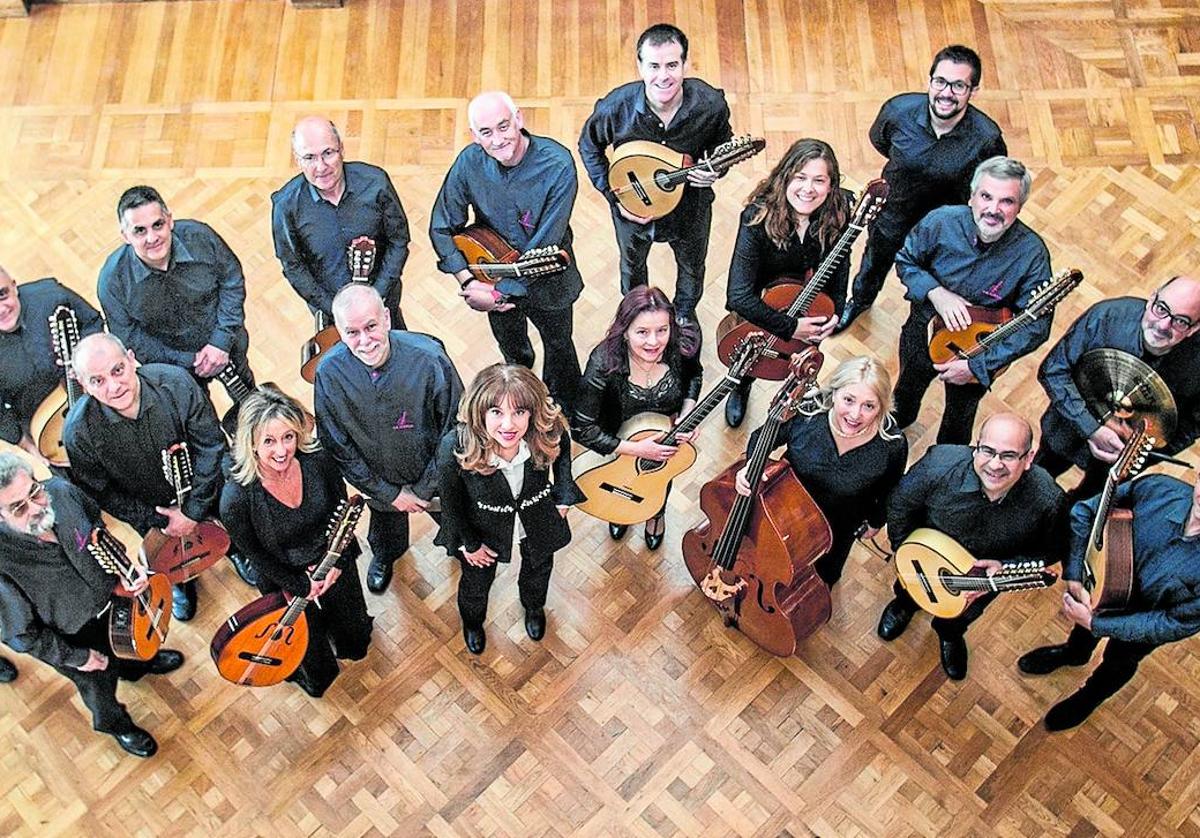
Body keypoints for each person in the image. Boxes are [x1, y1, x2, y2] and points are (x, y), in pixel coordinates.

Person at [0, 451, 183, 757]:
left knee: (136, 649)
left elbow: (97, 529)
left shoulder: (60, 492)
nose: (35, 509)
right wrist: (76, 657)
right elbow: (21, 634)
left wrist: (122, 570)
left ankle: (140, 667)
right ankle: (117, 726)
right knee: (99, 691)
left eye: (34, 492)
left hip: (113, 600)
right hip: (74, 636)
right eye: (19, 508)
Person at [63, 333, 255, 621]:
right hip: (151, 511)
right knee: (166, 554)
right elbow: (103, 493)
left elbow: (211, 445)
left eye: (118, 370)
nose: (114, 387)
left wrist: (192, 510)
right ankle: (182, 580)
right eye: (97, 380)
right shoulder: (78, 434)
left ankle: (236, 550)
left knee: (227, 515)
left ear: (131, 358)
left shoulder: (176, 384)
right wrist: (160, 521)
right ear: (83, 385)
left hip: (204, 486)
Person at [876, 413, 1068, 680]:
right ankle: (904, 606)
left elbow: (1053, 550)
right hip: (922, 562)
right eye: (987, 451)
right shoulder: (939, 465)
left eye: (1009, 455)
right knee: (908, 591)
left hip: (980, 584)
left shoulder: (1048, 500)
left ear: (1029, 459)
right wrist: (906, 552)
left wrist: (1006, 567)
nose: (995, 464)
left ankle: (949, 635)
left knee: (960, 617)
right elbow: (900, 504)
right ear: (976, 446)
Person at [429, 91, 583, 413]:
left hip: (548, 279)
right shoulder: (469, 163)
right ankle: (524, 411)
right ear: (475, 136)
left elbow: (544, 245)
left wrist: (497, 294)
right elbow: (442, 227)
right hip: (490, 278)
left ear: (519, 120)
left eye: (504, 126)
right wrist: (468, 281)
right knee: (515, 355)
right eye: (486, 132)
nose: (498, 139)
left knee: (559, 348)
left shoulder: (558, 164)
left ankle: (566, 414)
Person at [838, 44, 1007, 332]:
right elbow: (881, 141)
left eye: (958, 85)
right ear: (930, 81)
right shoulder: (898, 111)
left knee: (934, 282)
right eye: (940, 82)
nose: (946, 93)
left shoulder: (986, 138)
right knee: (874, 262)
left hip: (945, 229)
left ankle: (921, 327)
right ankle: (860, 301)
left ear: (973, 91)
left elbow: (994, 182)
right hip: (893, 214)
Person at [220, 385, 373, 698]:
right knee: (313, 660)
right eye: (269, 441)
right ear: (251, 443)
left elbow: (340, 516)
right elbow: (255, 555)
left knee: (356, 640)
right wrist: (300, 584)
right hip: (283, 577)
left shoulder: (319, 462)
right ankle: (313, 673)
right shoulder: (235, 499)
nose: (281, 451)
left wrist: (337, 565)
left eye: (288, 437)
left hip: (332, 558)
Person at [890, 156, 1053, 445]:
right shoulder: (940, 222)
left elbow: (1036, 326)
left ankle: (944, 465)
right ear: (971, 196)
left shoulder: (1032, 254)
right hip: (922, 329)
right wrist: (937, 293)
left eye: (1007, 201)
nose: (993, 209)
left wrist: (977, 367)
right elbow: (906, 260)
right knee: (907, 387)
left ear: (1020, 206)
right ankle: (896, 426)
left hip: (979, 352)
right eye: (986, 196)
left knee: (959, 417)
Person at [1020, 473, 1200, 730]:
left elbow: (1173, 623)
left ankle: (1088, 697)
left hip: (1142, 625)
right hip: (1099, 587)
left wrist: (1096, 624)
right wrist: (1074, 573)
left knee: (1119, 662)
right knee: (1081, 630)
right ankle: (1074, 654)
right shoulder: (1156, 488)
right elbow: (1085, 512)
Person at [578, 23, 733, 323]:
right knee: (632, 266)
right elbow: (589, 145)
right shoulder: (615, 108)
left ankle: (685, 317)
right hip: (632, 209)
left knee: (692, 267)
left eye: (673, 65)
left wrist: (716, 169)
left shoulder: (710, 106)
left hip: (690, 208)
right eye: (654, 66)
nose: (663, 76)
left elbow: (723, 145)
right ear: (640, 67)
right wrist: (615, 197)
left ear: (685, 64)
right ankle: (636, 317)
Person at [314, 285, 463, 594]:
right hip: (379, 485)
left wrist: (423, 489)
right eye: (352, 332)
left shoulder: (430, 359)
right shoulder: (328, 373)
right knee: (385, 532)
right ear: (338, 332)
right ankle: (387, 554)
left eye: (371, 326)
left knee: (456, 527)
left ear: (386, 317)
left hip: (435, 478)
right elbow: (336, 444)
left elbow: (456, 427)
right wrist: (390, 494)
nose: (365, 341)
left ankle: (459, 547)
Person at [435, 363, 583, 655]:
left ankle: (533, 606)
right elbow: (451, 504)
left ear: (533, 411)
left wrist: (564, 494)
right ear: (480, 412)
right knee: (476, 584)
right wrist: (469, 544)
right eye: (497, 412)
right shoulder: (455, 447)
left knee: (539, 569)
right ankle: (473, 622)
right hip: (482, 529)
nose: (508, 425)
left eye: (519, 412)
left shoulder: (547, 429)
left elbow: (563, 447)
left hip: (537, 516)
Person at [734, 356, 908, 586]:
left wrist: (877, 521)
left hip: (840, 523)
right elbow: (762, 437)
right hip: (784, 506)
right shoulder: (806, 411)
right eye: (848, 399)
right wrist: (750, 467)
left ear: (882, 407)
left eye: (869, 406)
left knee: (823, 577)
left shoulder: (892, 444)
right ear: (834, 393)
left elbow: (889, 489)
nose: (855, 415)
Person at [723, 138, 852, 427]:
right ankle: (742, 385)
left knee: (797, 358)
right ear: (785, 177)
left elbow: (841, 265)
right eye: (800, 177)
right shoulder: (757, 217)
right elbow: (738, 296)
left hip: (808, 306)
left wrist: (836, 312)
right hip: (761, 306)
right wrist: (791, 327)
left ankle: (789, 396)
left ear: (831, 186)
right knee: (753, 354)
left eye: (819, 180)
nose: (808, 189)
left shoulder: (839, 212)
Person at [1036, 276, 1200, 501]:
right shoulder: (1107, 317)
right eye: (1161, 309)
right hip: (1066, 426)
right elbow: (1053, 370)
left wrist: (1135, 455)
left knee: (1086, 505)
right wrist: (1090, 428)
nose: (1163, 325)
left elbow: (1191, 426)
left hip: (1120, 457)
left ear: (1194, 328)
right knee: (1037, 477)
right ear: (1152, 298)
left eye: (1180, 321)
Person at [97, 186, 257, 412]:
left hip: (227, 340)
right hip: (175, 368)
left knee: (251, 400)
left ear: (170, 220)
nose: (152, 238)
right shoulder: (112, 281)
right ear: (125, 236)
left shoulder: (201, 237)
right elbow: (131, 338)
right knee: (199, 418)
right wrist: (189, 360)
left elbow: (231, 281)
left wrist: (220, 342)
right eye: (139, 231)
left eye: (158, 225)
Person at [572, 286, 702, 549]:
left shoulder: (680, 347)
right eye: (642, 332)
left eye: (661, 330)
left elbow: (694, 376)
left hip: (664, 437)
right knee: (620, 475)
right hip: (616, 441)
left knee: (659, 476)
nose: (653, 342)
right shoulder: (603, 362)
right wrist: (636, 448)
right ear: (625, 332)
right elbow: (581, 427)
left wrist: (688, 413)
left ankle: (656, 512)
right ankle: (619, 509)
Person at [272, 116, 411, 324]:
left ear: (341, 149)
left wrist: (376, 296)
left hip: (383, 302)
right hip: (331, 313)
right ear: (297, 159)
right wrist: (334, 308)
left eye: (328, 153)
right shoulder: (286, 205)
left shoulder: (376, 183)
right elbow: (293, 266)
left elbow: (398, 240)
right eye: (309, 157)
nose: (321, 167)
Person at [0, 265, 104, 464]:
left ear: (14, 285)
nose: (1, 310)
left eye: (2, 295)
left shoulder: (51, 296)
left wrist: (89, 362)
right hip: (51, 435)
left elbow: (92, 322)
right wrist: (29, 447)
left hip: (98, 398)